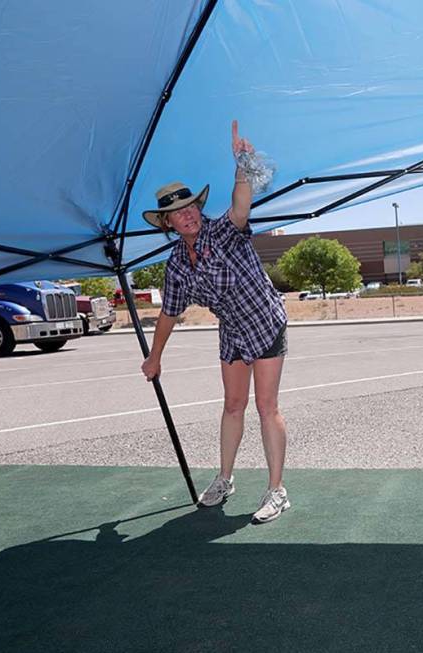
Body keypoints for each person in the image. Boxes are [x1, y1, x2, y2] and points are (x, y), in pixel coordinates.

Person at [140, 121, 290, 524]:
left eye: (189, 208)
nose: (186, 215)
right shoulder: (175, 265)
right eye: (176, 213)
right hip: (234, 332)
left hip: (264, 320)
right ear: (168, 223)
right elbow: (168, 314)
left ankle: (277, 490)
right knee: (233, 404)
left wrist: (240, 165)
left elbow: (240, 207)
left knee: (266, 405)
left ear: (198, 210)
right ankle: (225, 478)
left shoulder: (223, 232)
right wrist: (154, 359)